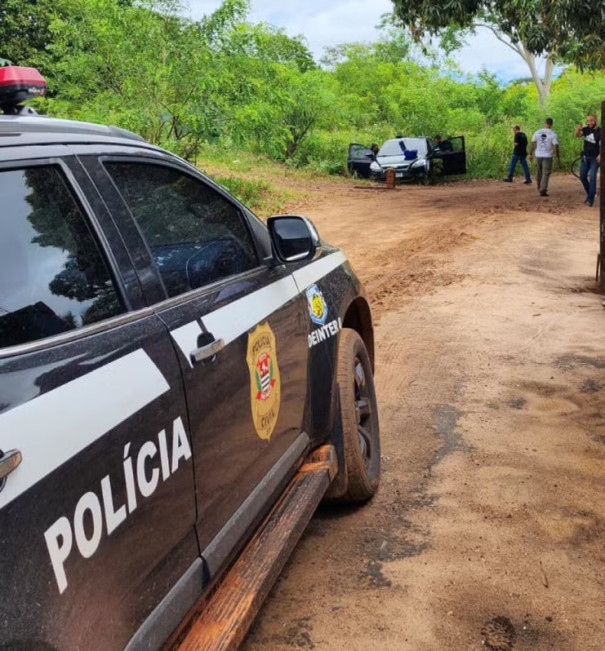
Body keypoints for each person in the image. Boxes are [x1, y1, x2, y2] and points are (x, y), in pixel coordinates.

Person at [575, 114, 601, 207]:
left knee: (593, 177)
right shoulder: (586, 129)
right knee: (582, 176)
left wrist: (601, 154)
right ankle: (591, 193)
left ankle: (590, 199)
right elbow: (577, 135)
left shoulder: (600, 131)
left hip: (595, 158)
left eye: (591, 120)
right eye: (588, 121)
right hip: (585, 157)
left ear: (596, 120)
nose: (589, 122)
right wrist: (578, 129)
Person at [529, 118, 560, 197]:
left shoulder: (537, 132)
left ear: (545, 123)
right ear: (551, 124)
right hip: (547, 156)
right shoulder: (553, 133)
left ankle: (539, 187)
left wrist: (530, 154)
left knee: (539, 172)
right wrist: (557, 157)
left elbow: (533, 143)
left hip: (538, 155)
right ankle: (543, 189)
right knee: (545, 173)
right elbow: (555, 146)